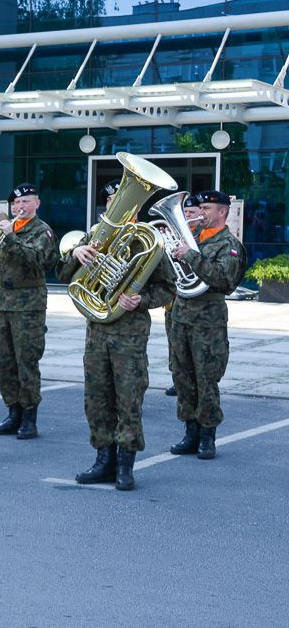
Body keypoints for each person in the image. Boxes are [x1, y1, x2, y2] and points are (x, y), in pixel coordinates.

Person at [57, 183, 176, 490]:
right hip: (97, 330)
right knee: (96, 398)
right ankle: (102, 459)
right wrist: (75, 254)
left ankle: (125, 464)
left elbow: (168, 288)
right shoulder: (94, 238)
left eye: (122, 200)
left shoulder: (149, 241)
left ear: (135, 207)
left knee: (128, 399)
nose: (117, 205)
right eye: (112, 201)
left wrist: (141, 300)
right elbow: (61, 276)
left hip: (130, 333)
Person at [168, 190, 247, 460]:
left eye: (207, 208)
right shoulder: (190, 237)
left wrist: (190, 256)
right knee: (182, 376)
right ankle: (189, 432)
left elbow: (224, 279)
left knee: (206, 378)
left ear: (222, 212)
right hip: (181, 316)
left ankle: (207, 437)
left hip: (208, 321)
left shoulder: (229, 244)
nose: (201, 213)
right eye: (200, 207)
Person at [0, 183, 57, 440]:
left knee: (26, 362)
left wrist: (11, 237)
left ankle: (29, 417)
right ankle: (12, 411)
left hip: (29, 306)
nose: (19, 207)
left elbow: (37, 259)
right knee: (4, 362)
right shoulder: (9, 229)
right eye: (15, 204)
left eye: (25, 202)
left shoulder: (42, 231)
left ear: (36, 203)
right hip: (4, 302)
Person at [165, 194, 202, 396]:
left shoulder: (201, 239)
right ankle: (176, 378)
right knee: (174, 342)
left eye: (191, 212)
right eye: (185, 212)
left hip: (194, 303)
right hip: (174, 299)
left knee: (193, 346)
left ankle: (193, 380)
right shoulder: (176, 234)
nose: (187, 215)